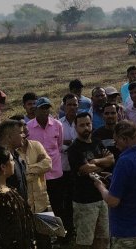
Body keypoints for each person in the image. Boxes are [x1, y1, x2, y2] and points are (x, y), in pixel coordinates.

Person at [92, 121, 136, 249]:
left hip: (128, 235)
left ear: (124, 139)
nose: (115, 145)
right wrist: (113, 179)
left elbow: (113, 201)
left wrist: (100, 186)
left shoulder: (125, 161)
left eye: (116, 141)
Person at [68, 112, 114, 249]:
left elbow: (111, 159)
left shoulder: (97, 142)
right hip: (84, 202)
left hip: (102, 198)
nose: (86, 128)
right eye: (82, 125)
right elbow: (85, 169)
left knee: (103, 238)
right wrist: (102, 164)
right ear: (75, 127)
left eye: (88, 124)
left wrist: (96, 161)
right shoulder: (74, 149)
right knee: (84, 241)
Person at [0, 145, 36, 249]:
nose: (13, 163)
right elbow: (13, 234)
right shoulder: (6, 198)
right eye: (12, 160)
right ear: (3, 167)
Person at [27, 97, 68, 240]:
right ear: (36, 110)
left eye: (47, 108)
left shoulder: (57, 125)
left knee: (58, 205)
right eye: (42, 108)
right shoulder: (28, 127)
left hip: (56, 172)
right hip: (39, 175)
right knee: (42, 206)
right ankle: (48, 235)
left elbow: (59, 145)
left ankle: (61, 235)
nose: (45, 111)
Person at [10, 115, 52, 215]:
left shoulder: (36, 145)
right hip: (24, 207)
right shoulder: (11, 153)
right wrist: (38, 166)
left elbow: (48, 164)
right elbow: (19, 177)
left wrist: (25, 169)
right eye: (20, 126)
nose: (24, 128)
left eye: (25, 124)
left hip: (42, 203)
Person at [59, 94, 79, 242]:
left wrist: (68, 143)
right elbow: (58, 145)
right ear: (64, 106)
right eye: (69, 104)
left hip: (80, 169)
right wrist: (73, 144)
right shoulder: (58, 124)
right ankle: (66, 232)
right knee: (65, 203)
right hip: (64, 169)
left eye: (74, 104)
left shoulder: (83, 122)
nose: (72, 107)